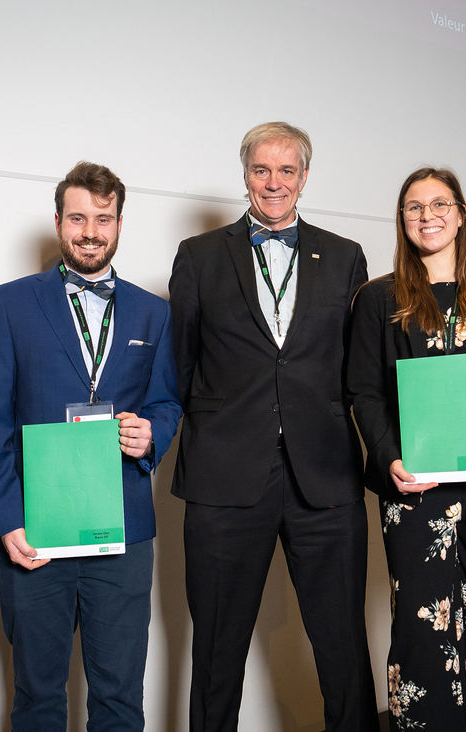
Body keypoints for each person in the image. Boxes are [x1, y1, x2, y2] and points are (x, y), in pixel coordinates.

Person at [170, 121, 378, 731]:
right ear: (245, 176)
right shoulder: (200, 256)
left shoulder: (343, 256)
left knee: (343, 648)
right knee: (215, 652)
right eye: (262, 170)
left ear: (305, 177)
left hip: (326, 478)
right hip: (225, 479)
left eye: (287, 171)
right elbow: (179, 367)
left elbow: (361, 368)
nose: (274, 182)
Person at [0, 161, 181, 731]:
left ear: (119, 222)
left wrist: (153, 433)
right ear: (59, 221)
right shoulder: (9, 304)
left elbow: (167, 402)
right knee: (38, 697)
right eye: (79, 218)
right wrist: (4, 520)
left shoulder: (152, 311)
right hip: (36, 528)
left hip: (123, 529)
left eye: (104, 219)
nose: (91, 231)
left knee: (119, 696)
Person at [347, 167, 466, 729]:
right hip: (415, 481)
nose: (428, 216)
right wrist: (387, 459)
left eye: (439, 204)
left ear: (461, 212)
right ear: (402, 220)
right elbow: (362, 390)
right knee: (419, 621)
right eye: (414, 207)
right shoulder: (379, 297)